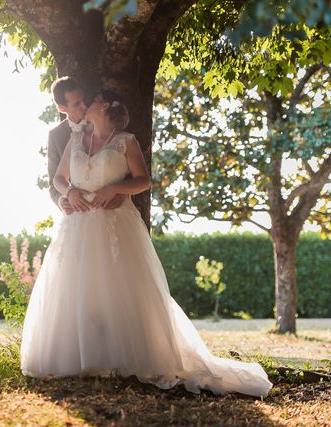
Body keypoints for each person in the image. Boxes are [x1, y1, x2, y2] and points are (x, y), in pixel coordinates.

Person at [21, 89, 273, 397]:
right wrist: (68, 194)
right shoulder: (76, 139)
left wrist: (117, 188)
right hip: (77, 226)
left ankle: (122, 357)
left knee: (119, 290)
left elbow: (143, 180)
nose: (88, 102)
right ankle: (79, 358)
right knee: (79, 289)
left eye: (94, 100)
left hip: (115, 226)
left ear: (108, 107)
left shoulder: (125, 141)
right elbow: (59, 178)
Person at [47, 77, 125, 214]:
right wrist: (64, 199)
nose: (84, 106)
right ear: (62, 108)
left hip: (112, 209)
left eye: (84, 100)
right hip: (80, 213)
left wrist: (122, 191)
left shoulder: (105, 119)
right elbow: (55, 179)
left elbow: (124, 156)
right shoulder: (56, 136)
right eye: (77, 104)